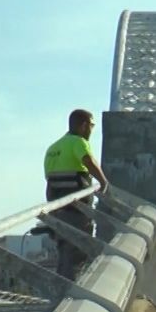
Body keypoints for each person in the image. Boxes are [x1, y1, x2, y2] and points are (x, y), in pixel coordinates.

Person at [44, 109, 109, 279]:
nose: (91, 130)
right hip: (77, 210)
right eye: (91, 126)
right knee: (78, 252)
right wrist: (103, 182)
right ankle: (72, 293)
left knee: (64, 251)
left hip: (57, 211)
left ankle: (61, 292)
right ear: (83, 125)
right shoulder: (78, 142)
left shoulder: (53, 148)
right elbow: (88, 161)